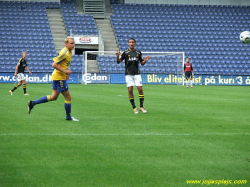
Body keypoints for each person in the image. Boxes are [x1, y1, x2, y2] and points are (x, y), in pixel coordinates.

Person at [28, 37, 79, 121]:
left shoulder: (69, 52)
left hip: (58, 77)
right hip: (59, 78)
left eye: (74, 43)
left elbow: (63, 64)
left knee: (54, 97)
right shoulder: (64, 53)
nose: (73, 45)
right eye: (71, 43)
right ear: (66, 44)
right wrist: (65, 72)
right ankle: (68, 117)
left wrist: (65, 73)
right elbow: (54, 65)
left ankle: (32, 103)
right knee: (68, 97)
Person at [116, 38, 150, 114]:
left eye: (133, 42)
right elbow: (118, 62)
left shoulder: (138, 52)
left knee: (140, 89)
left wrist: (145, 60)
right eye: (130, 42)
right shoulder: (125, 53)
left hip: (137, 74)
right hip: (128, 74)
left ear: (135, 43)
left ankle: (141, 106)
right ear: (128, 44)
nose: (131, 43)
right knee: (130, 90)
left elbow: (142, 63)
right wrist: (117, 56)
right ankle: (134, 107)